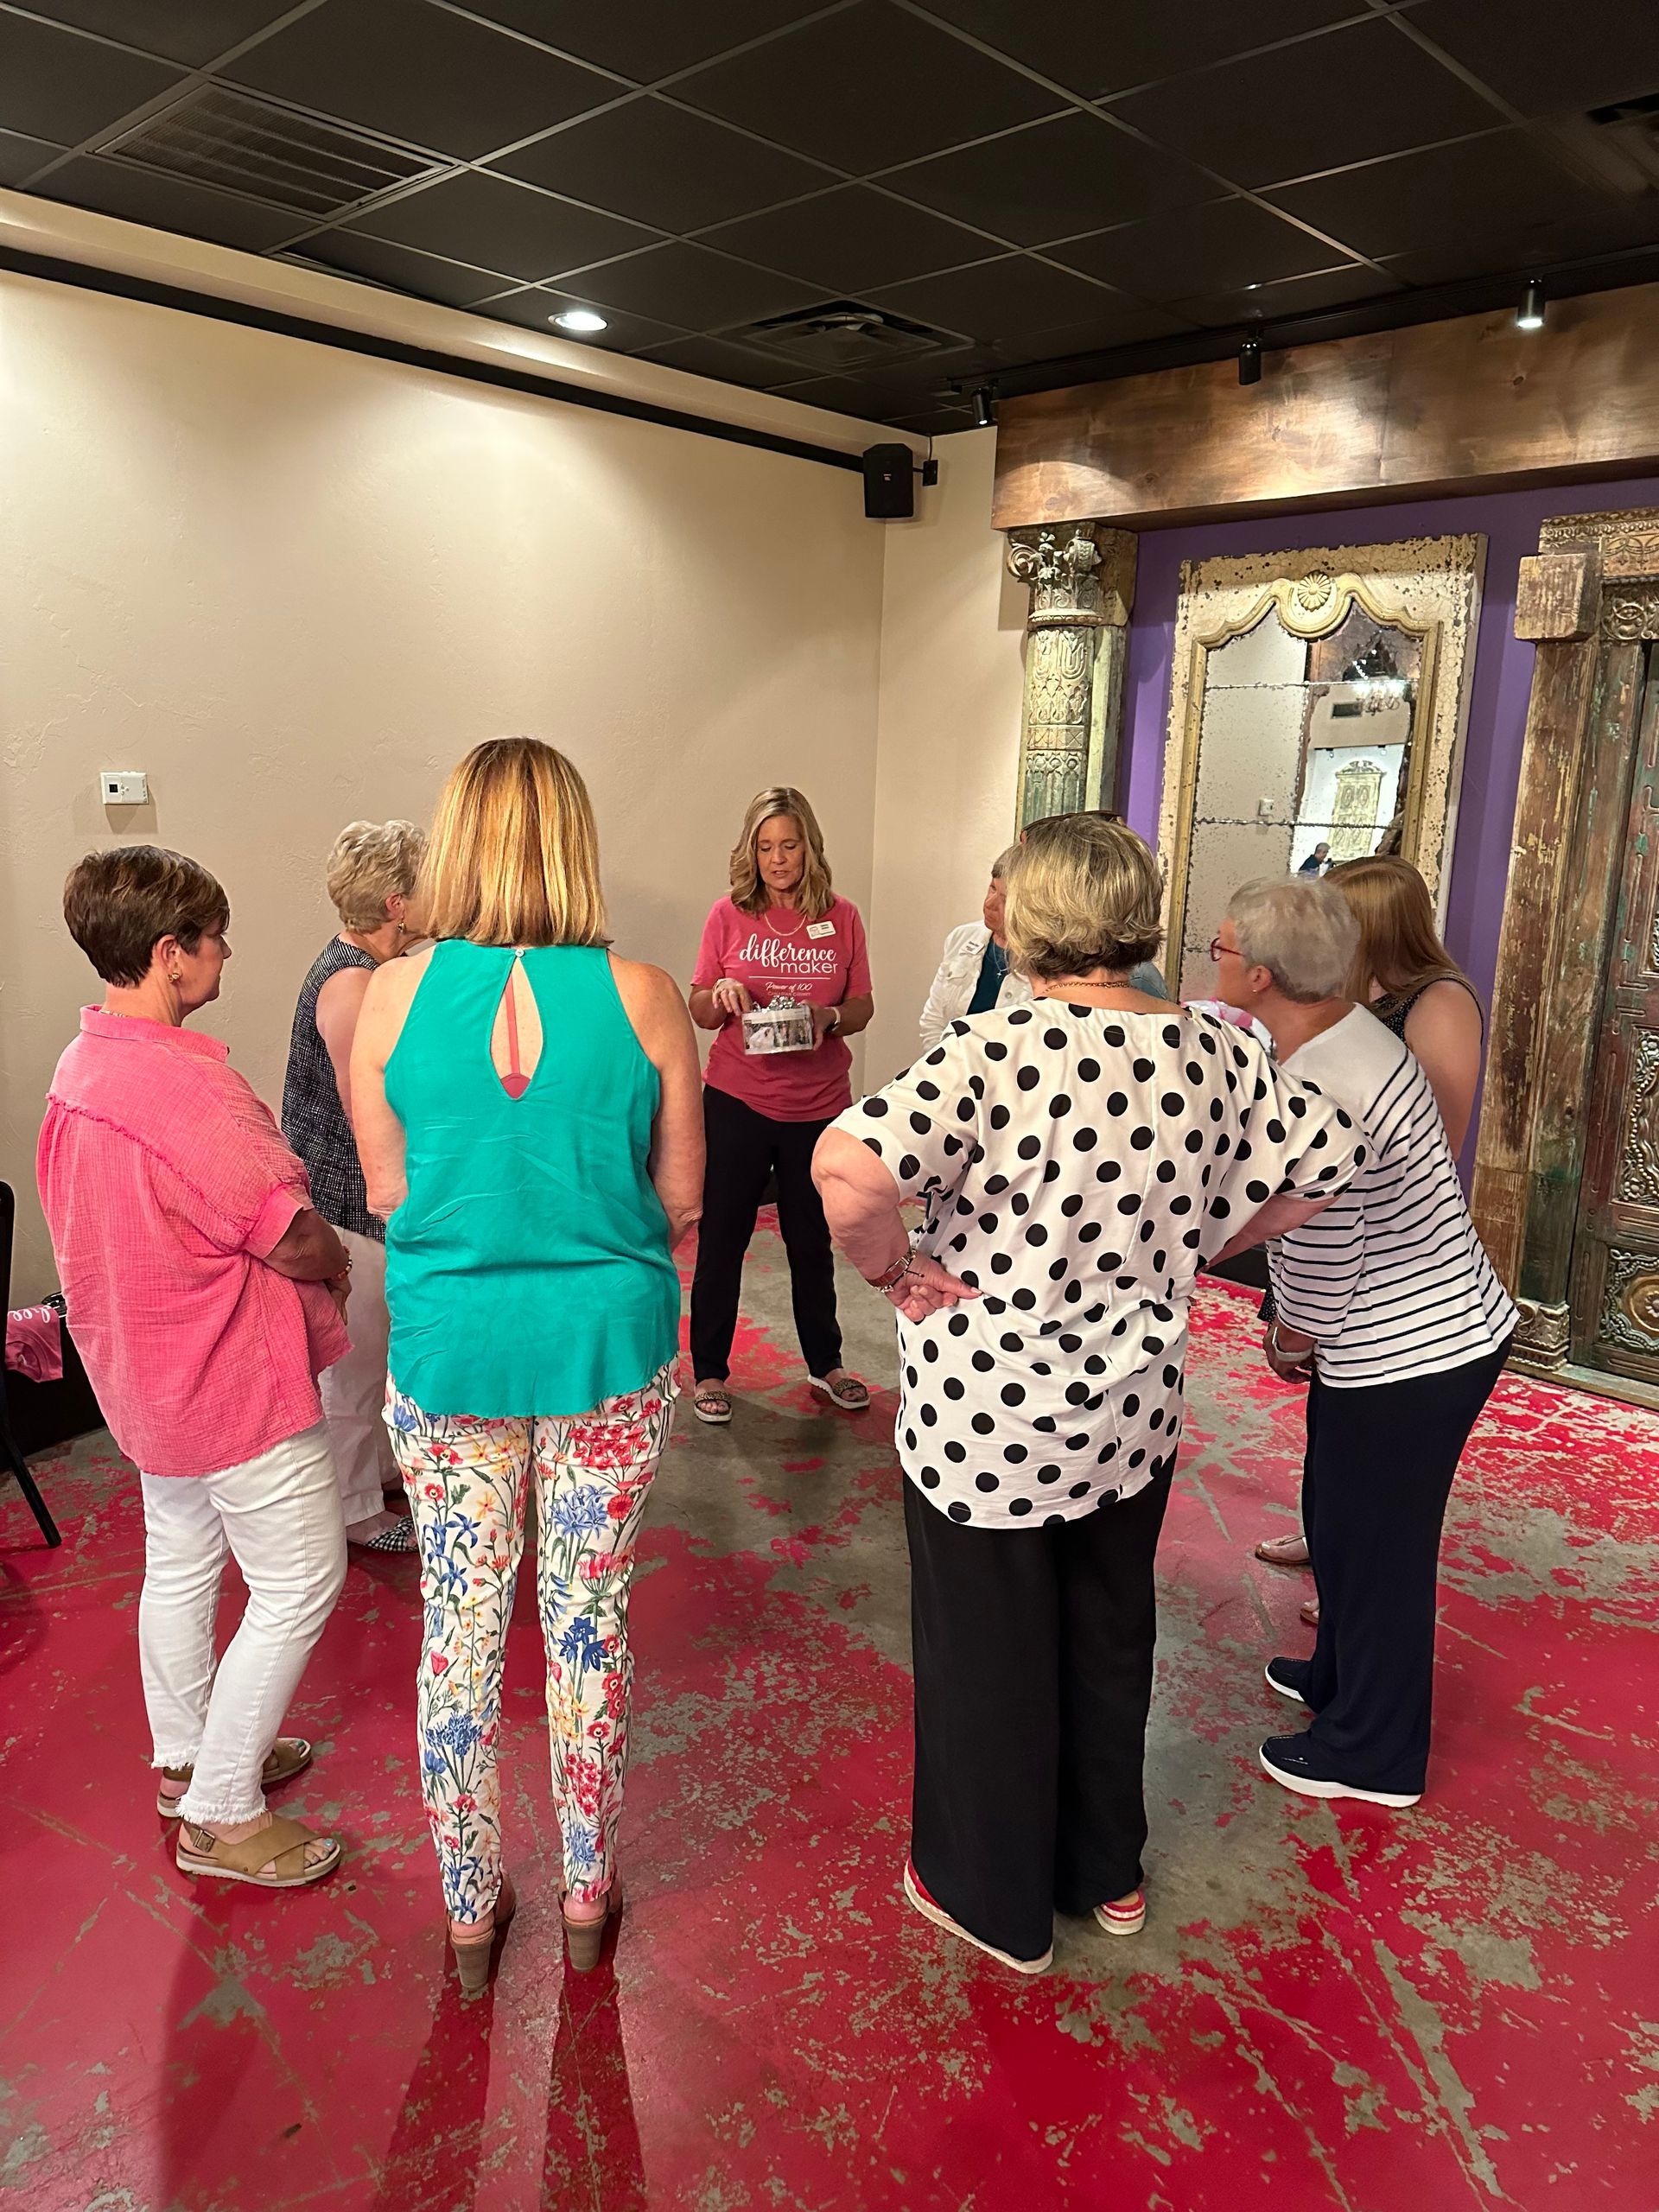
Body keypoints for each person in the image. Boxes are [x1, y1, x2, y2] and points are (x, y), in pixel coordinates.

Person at [812, 817, 1365, 1973]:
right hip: (1132, 1414)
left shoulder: (995, 1052)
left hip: (990, 1423)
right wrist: (1211, 1237)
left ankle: (992, 1898)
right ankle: (1105, 1871)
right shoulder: (1212, 1049)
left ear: (1033, 918)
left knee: (989, 1655)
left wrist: (893, 1271)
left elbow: (846, 1168)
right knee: (1109, 1637)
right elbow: (1330, 1159)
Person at [351, 739, 702, 1993]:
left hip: (451, 1350)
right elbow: (680, 1200)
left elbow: (391, 1192)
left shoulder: (386, 997)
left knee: (459, 1623)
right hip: (608, 1346)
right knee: (585, 1618)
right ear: (574, 842)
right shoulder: (650, 994)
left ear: (453, 843)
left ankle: (466, 1907)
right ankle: (589, 1890)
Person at [37, 847, 350, 1889]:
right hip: (227, 1382)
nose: (227, 952)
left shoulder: (80, 1072)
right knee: (302, 1576)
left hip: (142, 1375)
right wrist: (338, 1258)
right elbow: (291, 1233)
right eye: (212, 938)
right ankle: (221, 1812)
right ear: (170, 957)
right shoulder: (184, 1096)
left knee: (180, 1557)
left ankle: (188, 1760)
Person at [1212, 880, 1516, 1806]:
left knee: (1379, 1547)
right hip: (1400, 1339)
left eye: (1221, 947)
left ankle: (1374, 1752)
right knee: (1341, 1524)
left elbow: (1321, 1235)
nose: (1212, 955)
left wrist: (1291, 1333)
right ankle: (1340, 1677)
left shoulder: (1324, 1078)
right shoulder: (1338, 1035)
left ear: (1261, 975)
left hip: (1414, 1348)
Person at [1253, 855, 1485, 1595]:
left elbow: (1421, 1149)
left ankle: (1352, 1584)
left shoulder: (1436, 1001)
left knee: (1374, 1482)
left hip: (1383, 1268)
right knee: (1336, 1436)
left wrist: (1299, 1322)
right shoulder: (1347, 1014)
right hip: (1342, 1267)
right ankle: (1332, 1545)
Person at [688, 786, 874, 1427]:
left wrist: (828, 1017)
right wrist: (725, 992)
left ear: (809, 846)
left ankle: (827, 1365)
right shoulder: (728, 914)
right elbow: (699, 1006)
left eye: (788, 845)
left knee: (811, 1239)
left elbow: (863, 1007)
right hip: (738, 1098)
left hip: (819, 1105)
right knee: (722, 1239)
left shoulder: (842, 917)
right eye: (765, 847)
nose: (777, 859)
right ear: (751, 852)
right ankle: (710, 1371)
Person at [282, 819, 426, 1553]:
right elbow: (365, 1108)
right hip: (348, 1207)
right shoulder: (352, 983)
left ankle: (377, 1475)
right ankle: (352, 1512)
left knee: (376, 1359)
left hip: (353, 1203)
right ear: (398, 903)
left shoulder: (369, 969)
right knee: (357, 1371)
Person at [919, 847, 1029, 1048]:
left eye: (1005, 899)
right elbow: (934, 1020)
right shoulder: (962, 938)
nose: (989, 903)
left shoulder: (1048, 961)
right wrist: (942, 1071)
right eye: (992, 888)